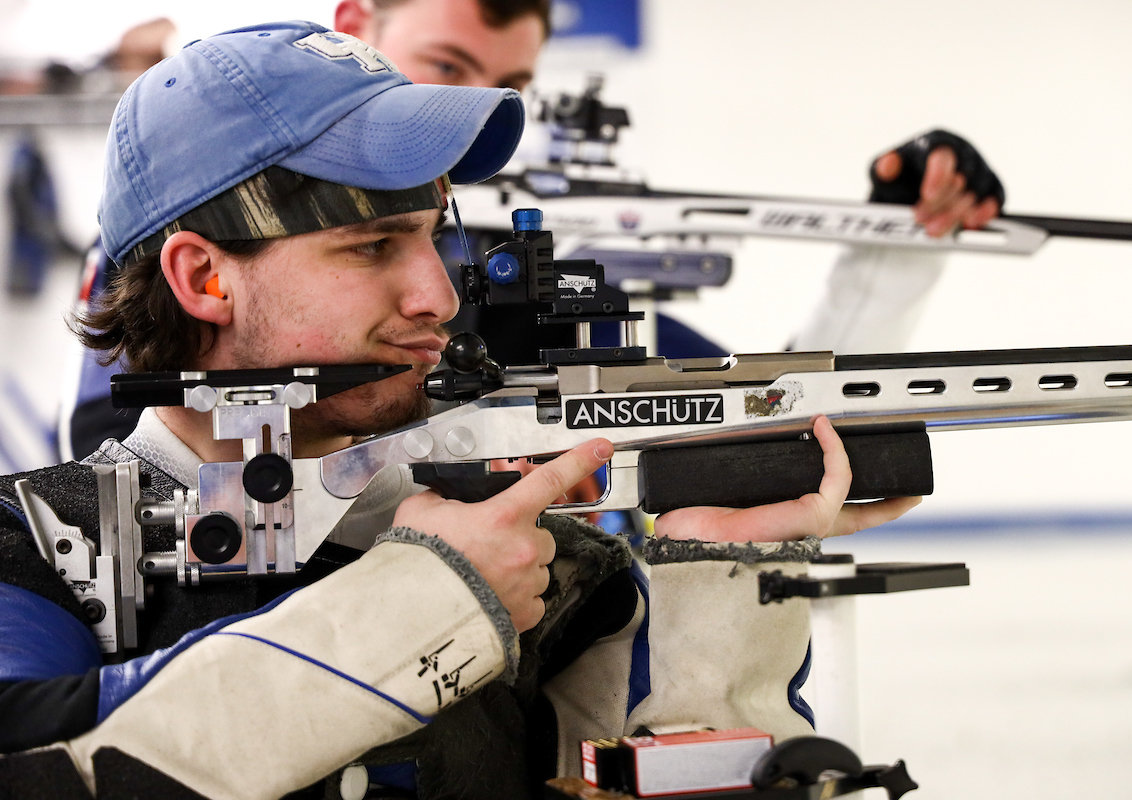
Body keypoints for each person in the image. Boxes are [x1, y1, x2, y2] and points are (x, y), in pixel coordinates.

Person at [0, 22, 919, 799]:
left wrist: (713, 581)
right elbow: (40, 763)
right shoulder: (36, 544)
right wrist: (429, 599)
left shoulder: (551, 570)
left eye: (435, 237)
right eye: (371, 247)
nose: (438, 294)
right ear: (203, 278)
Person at [59, 0, 1006, 461]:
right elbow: (138, 448)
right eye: (443, 64)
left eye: (507, 87)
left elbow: (772, 408)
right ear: (359, 21)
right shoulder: (197, 205)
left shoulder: (503, 270)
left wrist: (898, 238)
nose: (430, 292)